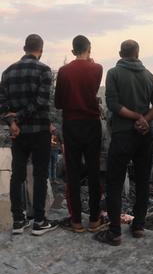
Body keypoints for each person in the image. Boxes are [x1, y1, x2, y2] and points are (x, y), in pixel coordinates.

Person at [94, 40, 153, 246]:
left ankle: (115, 233)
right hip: (144, 136)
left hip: (122, 135)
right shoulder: (149, 76)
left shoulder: (114, 73)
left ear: (120, 53)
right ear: (138, 53)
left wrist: (134, 117)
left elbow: (114, 105)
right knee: (142, 181)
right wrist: (145, 119)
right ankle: (139, 226)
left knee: (114, 183)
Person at [0, 34, 58, 235]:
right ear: (40, 50)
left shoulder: (7, 72)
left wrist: (12, 122)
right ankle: (39, 221)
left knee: (17, 175)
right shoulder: (44, 70)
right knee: (41, 175)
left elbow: (2, 104)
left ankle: (18, 221)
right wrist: (21, 116)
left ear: (24, 48)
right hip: (39, 130)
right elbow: (41, 102)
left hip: (18, 133)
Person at [54, 35, 106, 233]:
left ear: (73, 50)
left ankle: (76, 221)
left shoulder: (64, 71)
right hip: (92, 124)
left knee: (73, 172)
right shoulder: (97, 68)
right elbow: (92, 89)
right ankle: (94, 220)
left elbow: (58, 102)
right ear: (89, 49)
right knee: (93, 171)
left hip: (71, 125)